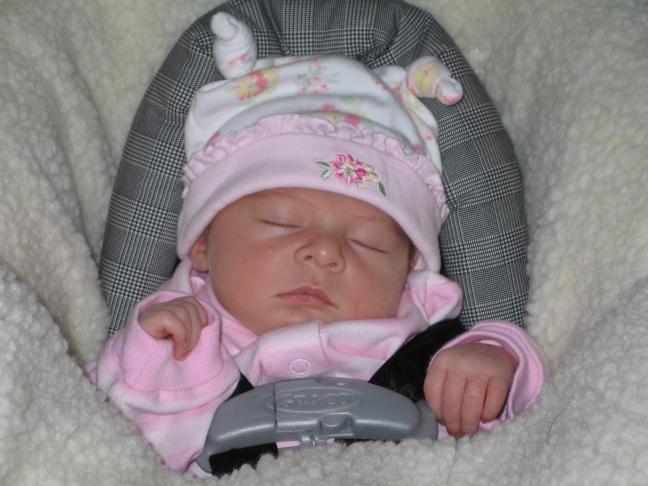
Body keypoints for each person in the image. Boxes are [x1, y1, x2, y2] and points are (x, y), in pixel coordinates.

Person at [88, 13, 546, 478]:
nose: (325, 253)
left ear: (410, 269)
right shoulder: (179, 338)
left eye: (367, 242)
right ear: (203, 245)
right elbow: (115, 451)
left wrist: (492, 358)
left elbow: (516, 440)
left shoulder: (426, 337)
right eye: (281, 223)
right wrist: (147, 362)